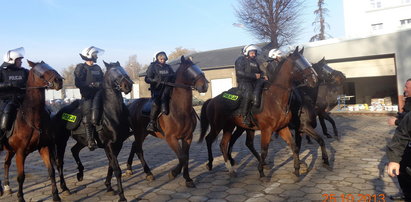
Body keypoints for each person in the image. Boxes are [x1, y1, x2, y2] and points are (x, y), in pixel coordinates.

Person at [74, 46, 105, 151]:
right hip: (88, 96)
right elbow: (78, 82)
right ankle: (90, 140)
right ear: (89, 55)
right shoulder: (81, 67)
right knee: (88, 113)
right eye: (94, 54)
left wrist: (100, 84)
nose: (96, 56)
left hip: (100, 94)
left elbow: (103, 80)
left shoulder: (97, 68)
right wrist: (90, 85)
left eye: (96, 54)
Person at [387, 78, 411, 201]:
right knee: (402, 170)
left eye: (407, 87)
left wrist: (396, 121)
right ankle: (406, 193)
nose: (404, 89)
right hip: (406, 146)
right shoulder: (408, 101)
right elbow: (403, 131)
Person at [0, 47, 29, 150]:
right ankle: (1, 137)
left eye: (20, 60)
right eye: (18, 60)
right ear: (11, 60)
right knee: (5, 113)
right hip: (6, 100)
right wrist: (9, 84)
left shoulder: (25, 71)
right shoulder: (2, 71)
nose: (21, 62)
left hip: (23, 99)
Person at [234, 44, 267, 126]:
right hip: (244, 82)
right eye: (252, 53)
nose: (254, 55)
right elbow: (239, 72)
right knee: (249, 93)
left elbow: (260, 71)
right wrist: (254, 76)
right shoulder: (241, 60)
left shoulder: (255, 62)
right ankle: (245, 115)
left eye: (254, 53)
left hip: (254, 82)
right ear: (247, 53)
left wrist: (263, 75)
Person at [145, 51, 175, 132]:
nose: (162, 59)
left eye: (164, 58)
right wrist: (154, 80)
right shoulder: (152, 67)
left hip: (168, 88)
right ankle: (151, 123)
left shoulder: (168, 67)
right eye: (161, 58)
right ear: (157, 58)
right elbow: (147, 79)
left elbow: (174, 76)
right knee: (156, 103)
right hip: (157, 89)